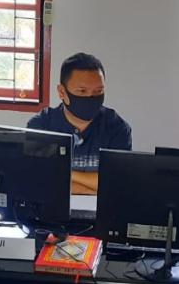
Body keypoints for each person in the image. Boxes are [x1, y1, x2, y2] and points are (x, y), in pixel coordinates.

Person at [27, 52, 132, 194]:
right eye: (82, 91)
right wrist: (94, 187)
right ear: (62, 92)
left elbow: (116, 184)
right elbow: (37, 181)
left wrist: (65, 172)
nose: (91, 97)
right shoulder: (42, 126)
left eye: (98, 91)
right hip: (52, 207)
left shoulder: (116, 128)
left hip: (101, 209)